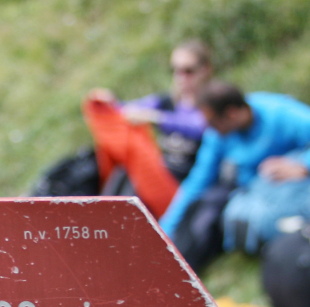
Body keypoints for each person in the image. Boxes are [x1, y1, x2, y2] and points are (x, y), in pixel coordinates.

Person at [159, 81, 310, 267]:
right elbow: (196, 183)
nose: (208, 130)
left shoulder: (277, 112)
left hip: (301, 179)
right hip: (259, 191)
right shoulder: (217, 136)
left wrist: (306, 165)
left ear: (231, 114)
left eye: (212, 122)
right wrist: (163, 233)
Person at [80, 40, 212, 218]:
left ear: (205, 70)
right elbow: (129, 110)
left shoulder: (212, 103)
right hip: (163, 174)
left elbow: (200, 126)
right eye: (175, 70)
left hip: (191, 182)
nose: (181, 77)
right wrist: (107, 103)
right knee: (123, 173)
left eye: (188, 71)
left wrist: (157, 118)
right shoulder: (167, 101)